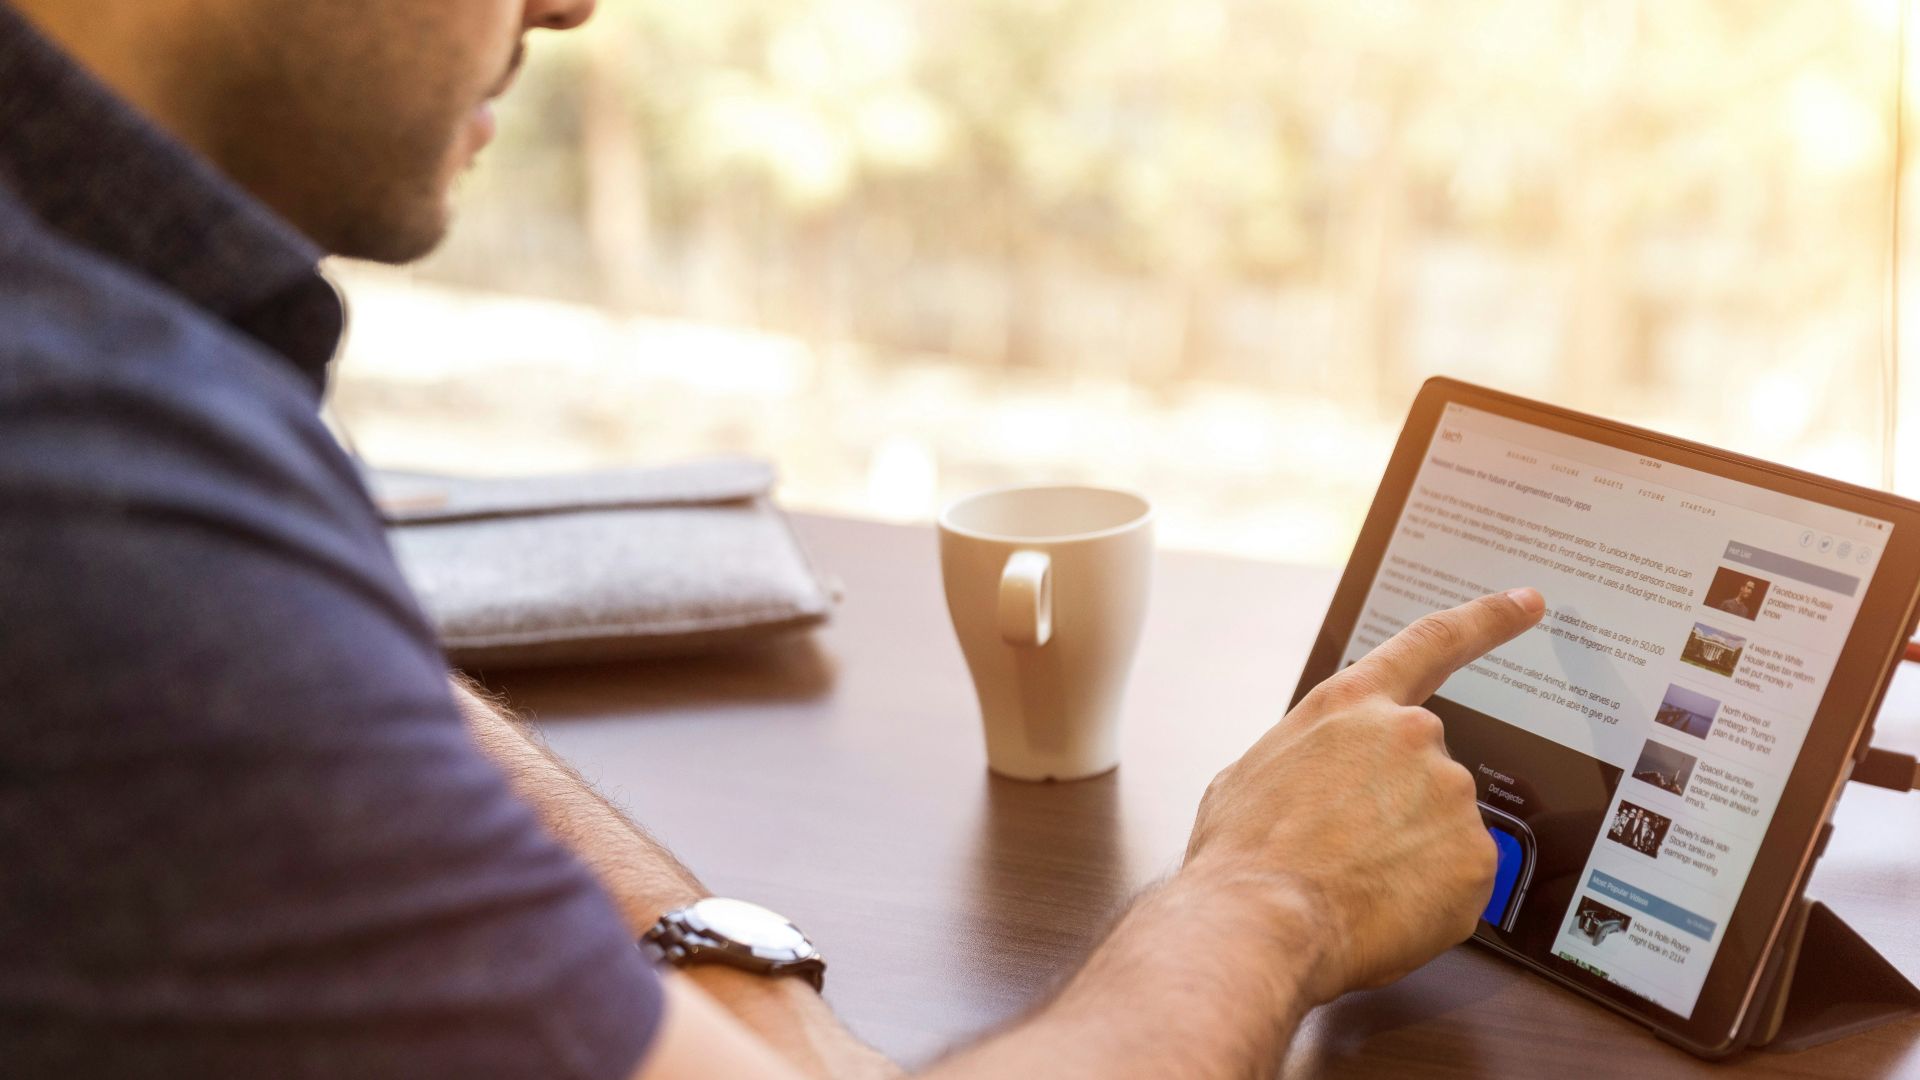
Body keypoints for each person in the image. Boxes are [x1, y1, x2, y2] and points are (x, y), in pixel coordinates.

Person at [0, 2, 1546, 1076]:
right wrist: (1273, 895)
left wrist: (735, 988)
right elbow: (191, 633)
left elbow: (293, 674)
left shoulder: (124, 373)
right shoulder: (82, 474)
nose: (570, 5)